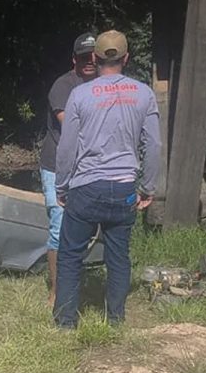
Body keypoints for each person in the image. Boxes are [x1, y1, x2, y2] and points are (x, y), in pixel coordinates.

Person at [53, 30, 161, 329]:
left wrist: (61, 185)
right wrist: (148, 188)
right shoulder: (143, 93)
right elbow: (153, 145)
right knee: (118, 256)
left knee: (71, 255)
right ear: (126, 58)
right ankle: (115, 319)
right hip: (124, 187)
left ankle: (65, 322)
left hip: (85, 187)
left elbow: (67, 147)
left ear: (94, 58)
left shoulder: (79, 95)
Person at [39, 32, 98, 307]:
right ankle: (56, 291)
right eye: (84, 57)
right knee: (58, 227)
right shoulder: (63, 85)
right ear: (74, 59)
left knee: (84, 228)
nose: (89, 61)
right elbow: (71, 125)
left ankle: (78, 283)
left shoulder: (103, 84)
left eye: (94, 56)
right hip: (57, 166)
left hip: (90, 166)